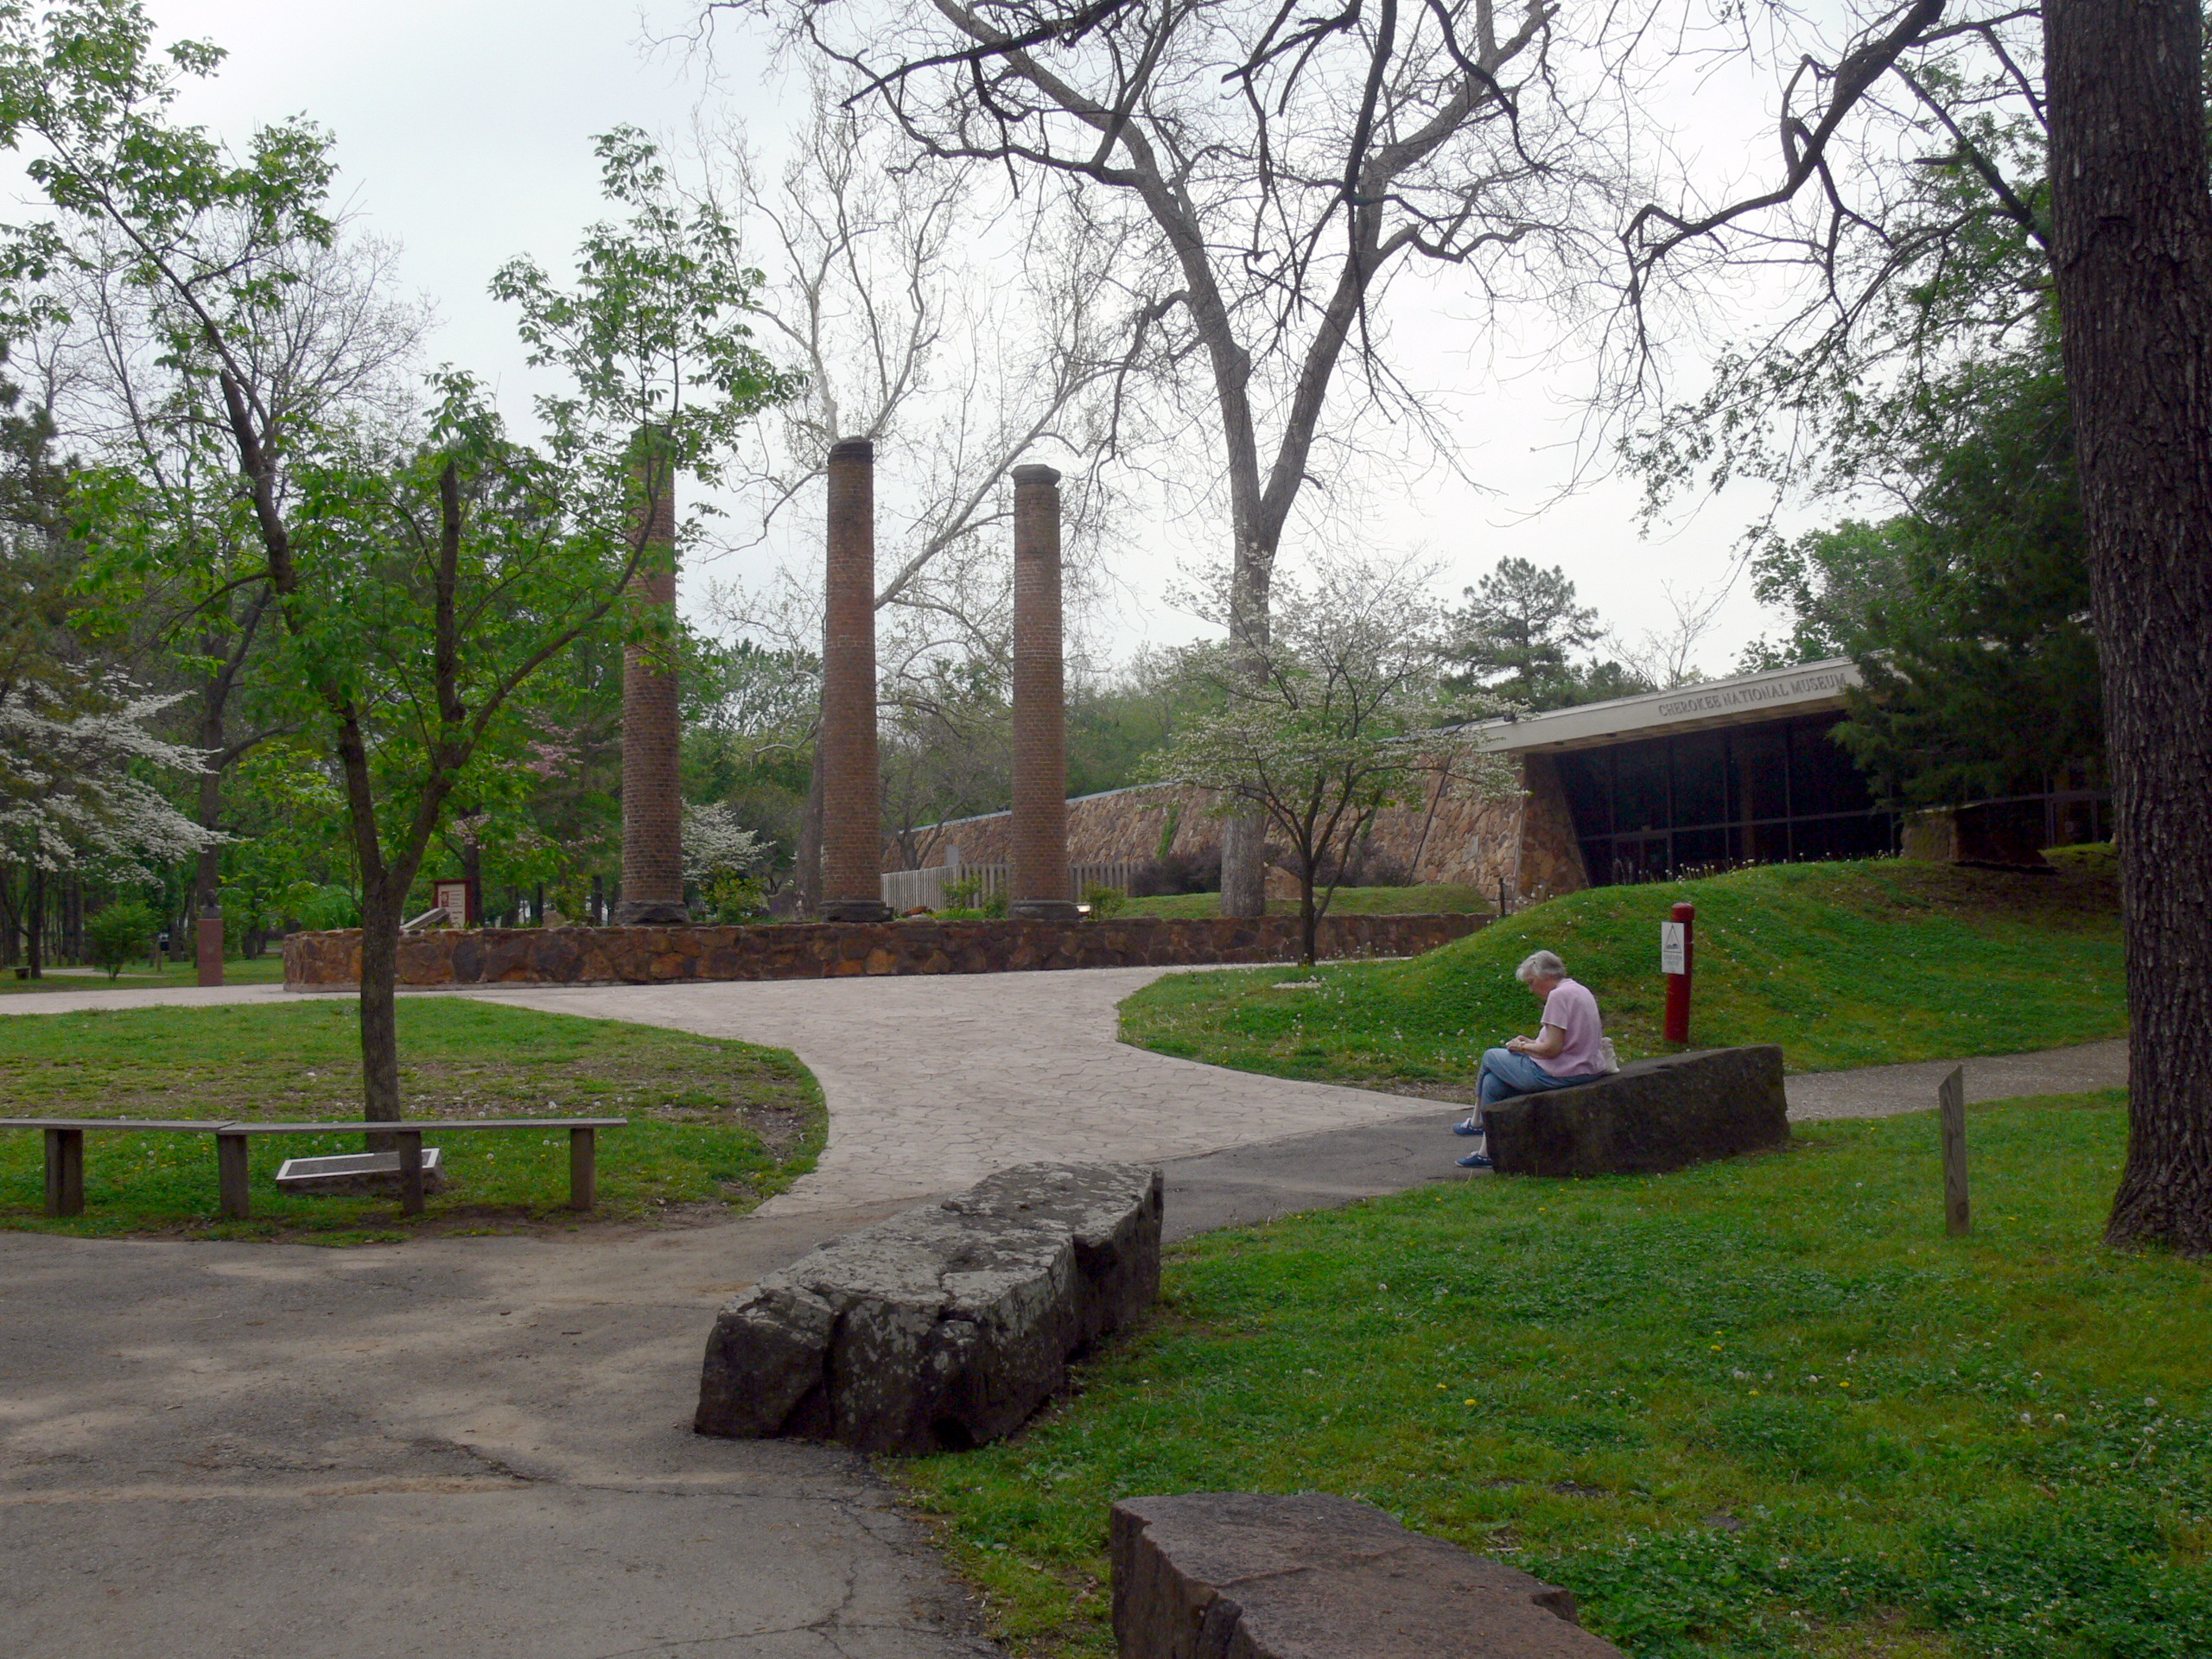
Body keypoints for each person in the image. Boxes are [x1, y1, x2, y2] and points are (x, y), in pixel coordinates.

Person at [1453, 949, 1608, 1169]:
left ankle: (1477, 1121)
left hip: (1560, 1072)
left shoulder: (1558, 996)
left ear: (1546, 977)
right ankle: (1486, 1153)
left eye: (1532, 982)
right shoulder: (1578, 990)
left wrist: (1522, 1047)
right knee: (1493, 1084)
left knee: (1490, 1056)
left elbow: (1553, 1049)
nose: (1531, 989)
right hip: (1583, 1068)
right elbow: (1563, 1040)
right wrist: (1532, 1042)